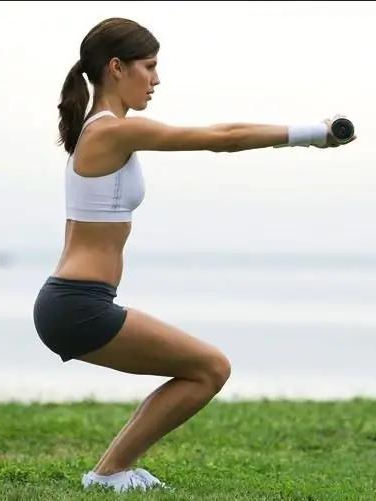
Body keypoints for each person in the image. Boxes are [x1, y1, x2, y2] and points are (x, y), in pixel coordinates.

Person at [32, 16, 357, 494]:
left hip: (73, 301)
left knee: (201, 368)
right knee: (210, 368)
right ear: (116, 68)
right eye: (150, 67)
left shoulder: (101, 132)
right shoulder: (110, 133)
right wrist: (313, 132)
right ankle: (108, 473)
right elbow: (221, 137)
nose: (157, 80)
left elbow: (222, 132)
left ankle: (113, 471)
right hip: (77, 305)